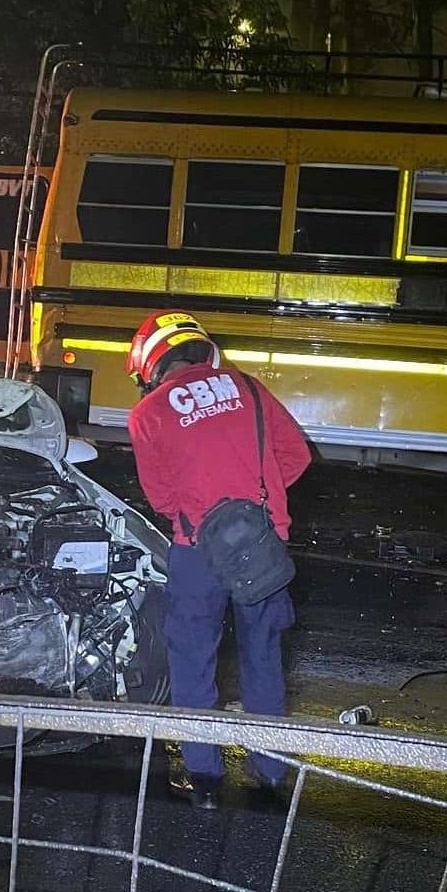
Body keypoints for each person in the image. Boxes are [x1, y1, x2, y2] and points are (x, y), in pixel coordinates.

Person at [125, 310, 312, 809]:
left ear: (152, 363)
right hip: (262, 547)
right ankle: (269, 775)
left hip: (196, 554)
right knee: (263, 657)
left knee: (193, 664)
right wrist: (254, 505)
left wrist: (210, 510)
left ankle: (205, 781)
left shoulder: (147, 415)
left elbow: (162, 499)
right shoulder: (248, 388)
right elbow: (295, 456)